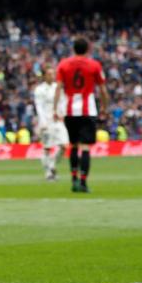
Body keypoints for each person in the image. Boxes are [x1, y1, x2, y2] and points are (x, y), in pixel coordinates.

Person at [54, 37, 109, 194]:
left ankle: (73, 179)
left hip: (70, 111)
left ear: (73, 48)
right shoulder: (94, 65)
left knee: (73, 145)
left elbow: (58, 88)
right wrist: (105, 107)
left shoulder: (63, 64)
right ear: (88, 49)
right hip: (87, 110)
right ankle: (83, 182)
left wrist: (55, 108)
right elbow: (103, 89)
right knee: (85, 147)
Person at [33, 69, 68, 181]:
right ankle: (48, 173)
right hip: (46, 120)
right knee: (47, 147)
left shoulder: (57, 87)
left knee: (64, 145)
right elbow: (39, 107)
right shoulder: (39, 89)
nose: (52, 76)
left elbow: (62, 101)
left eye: (53, 74)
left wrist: (62, 113)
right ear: (44, 76)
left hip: (57, 119)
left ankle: (52, 165)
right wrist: (42, 122)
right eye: (49, 74)